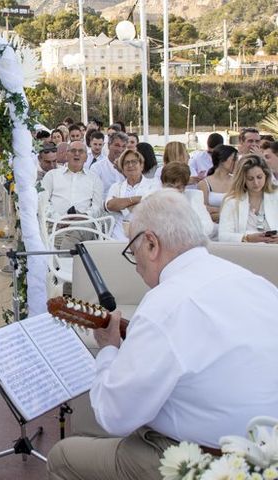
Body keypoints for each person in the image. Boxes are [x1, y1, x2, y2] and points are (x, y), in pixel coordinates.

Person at [47, 189, 278, 480]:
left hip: (213, 463)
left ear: (152, 244)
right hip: (270, 452)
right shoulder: (253, 282)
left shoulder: (163, 306)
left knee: (63, 457)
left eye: (134, 254)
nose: (137, 266)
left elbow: (114, 416)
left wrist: (108, 349)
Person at [218, 154, 278, 243]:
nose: (256, 183)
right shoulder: (231, 201)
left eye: (259, 177)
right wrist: (247, 238)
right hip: (245, 253)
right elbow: (223, 236)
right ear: (242, 179)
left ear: (266, 175)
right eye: (250, 179)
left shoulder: (276, 196)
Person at [41, 141, 103, 219]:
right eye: (73, 150)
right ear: (67, 155)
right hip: (54, 224)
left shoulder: (94, 178)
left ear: (86, 157)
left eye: (81, 151)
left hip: (84, 224)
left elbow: (97, 207)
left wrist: (85, 216)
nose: (77, 153)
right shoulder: (52, 175)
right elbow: (43, 202)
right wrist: (57, 218)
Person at [105, 149, 159, 240]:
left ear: (141, 165)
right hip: (118, 235)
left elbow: (151, 205)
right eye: (126, 163)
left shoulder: (153, 184)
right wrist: (138, 199)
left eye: (134, 162)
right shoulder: (116, 186)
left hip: (144, 234)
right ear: (122, 168)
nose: (130, 165)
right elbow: (110, 205)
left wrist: (121, 206)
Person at [161, 163, 215, 238]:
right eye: (169, 186)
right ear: (163, 184)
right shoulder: (154, 200)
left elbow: (208, 226)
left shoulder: (194, 197)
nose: (173, 190)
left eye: (178, 187)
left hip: (188, 242)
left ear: (184, 186)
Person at [196, 145, 237, 223]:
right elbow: (202, 209)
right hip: (212, 227)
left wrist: (215, 210)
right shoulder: (204, 184)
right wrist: (227, 212)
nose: (236, 162)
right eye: (234, 159)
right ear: (222, 160)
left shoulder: (236, 181)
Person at [90, 132, 127, 199]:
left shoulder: (130, 168)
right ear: (108, 146)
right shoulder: (96, 168)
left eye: (124, 146)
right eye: (117, 145)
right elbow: (93, 194)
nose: (120, 149)